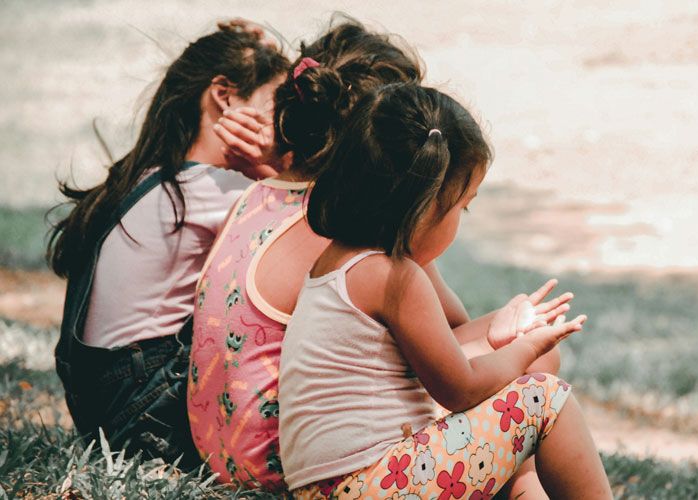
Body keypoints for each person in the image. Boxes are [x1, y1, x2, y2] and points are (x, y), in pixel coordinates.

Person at [191, 18, 566, 495]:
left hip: (227, 452)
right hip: (292, 466)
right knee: (535, 372)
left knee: (517, 363)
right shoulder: (355, 238)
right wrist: (519, 347)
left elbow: (442, 334)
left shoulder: (259, 196)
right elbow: (452, 359)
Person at [279, 82, 614, 499]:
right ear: (423, 206)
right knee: (546, 399)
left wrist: (497, 334)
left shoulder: (338, 262)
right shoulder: (394, 277)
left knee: (528, 374)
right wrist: (526, 348)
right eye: (462, 206)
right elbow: (460, 389)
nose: (460, 219)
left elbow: (437, 354)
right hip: (371, 485)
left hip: (336, 487)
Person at [47, 20, 290, 468]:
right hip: (146, 417)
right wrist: (272, 167)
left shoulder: (151, 177)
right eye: (274, 105)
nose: (280, 126)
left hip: (106, 410)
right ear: (224, 95)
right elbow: (314, 231)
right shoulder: (212, 190)